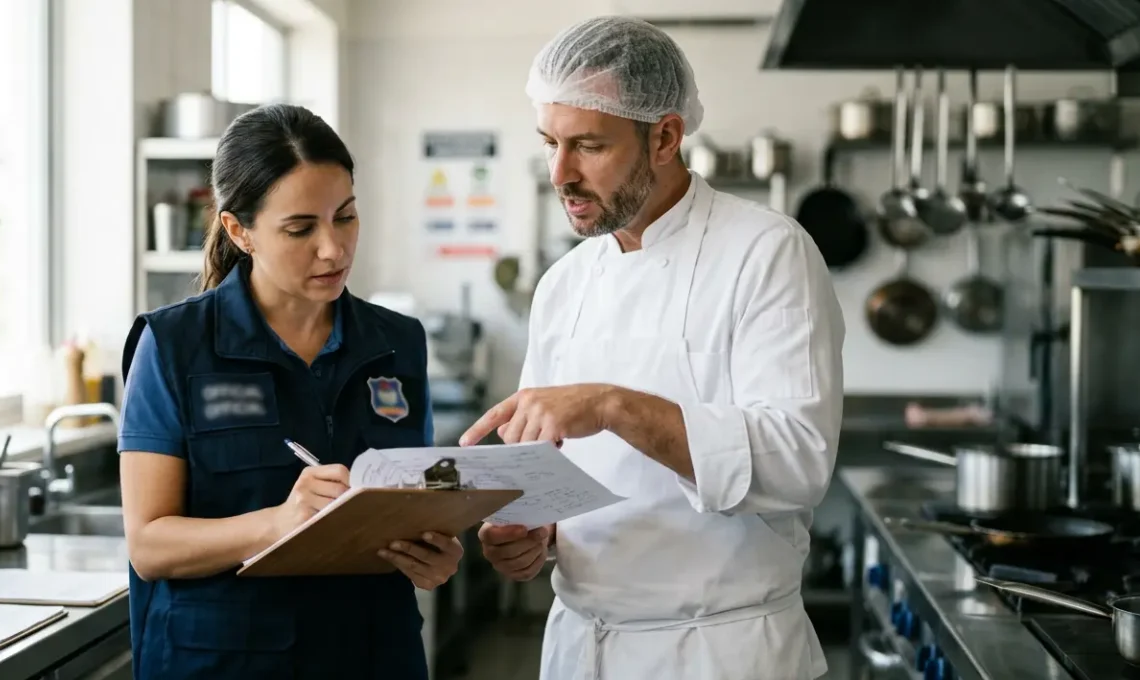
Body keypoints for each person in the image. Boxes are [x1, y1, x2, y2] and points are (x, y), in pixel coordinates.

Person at [462, 16, 845, 680]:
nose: (560, 173)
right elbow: (551, 470)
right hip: (582, 647)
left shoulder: (767, 251)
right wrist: (531, 533)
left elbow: (798, 461)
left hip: (720, 652)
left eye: (588, 145)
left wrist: (612, 405)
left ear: (665, 136)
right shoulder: (563, 284)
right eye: (550, 142)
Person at [117, 104, 460, 679]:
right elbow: (150, 546)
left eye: (346, 217)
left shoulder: (398, 343)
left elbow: (413, 501)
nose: (333, 248)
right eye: (301, 229)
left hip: (374, 655)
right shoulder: (174, 345)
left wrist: (434, 553)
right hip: (223, 663)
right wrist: (277, 523)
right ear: (238, 230)